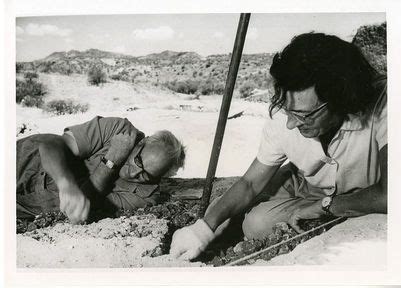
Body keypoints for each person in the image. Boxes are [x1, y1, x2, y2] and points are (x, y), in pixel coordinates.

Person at [170, 32, 387, 261]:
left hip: (362, 192)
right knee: (220, 212)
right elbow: (250, 183)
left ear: (343, 98)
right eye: (287, 110)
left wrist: (327, 206)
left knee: (257, 224)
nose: (292, 123)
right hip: (305, 183)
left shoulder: (386, 101)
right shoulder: (287, 113)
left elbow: (391, 195)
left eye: (305, 115)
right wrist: (200, 231)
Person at [17, 116, 186, 224]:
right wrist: (65, 183)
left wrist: (111, 160)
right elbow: (51, 144)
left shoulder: (145, 196)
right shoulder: (118, 129)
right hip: (25, 160)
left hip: (29, 206)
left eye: (146, 175)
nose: (134, 172)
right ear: (142, 142)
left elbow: (86, 199)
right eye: (138, 161)